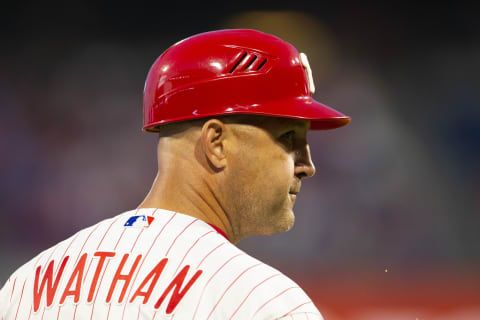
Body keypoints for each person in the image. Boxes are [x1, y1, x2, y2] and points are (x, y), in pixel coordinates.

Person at [0, 29, 350, 319]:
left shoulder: (27, 284)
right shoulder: (265, 302)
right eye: (288, 138)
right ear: (216, 143)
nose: (307, 165)